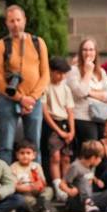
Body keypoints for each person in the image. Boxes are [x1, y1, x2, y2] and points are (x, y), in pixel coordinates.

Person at [0, 5, 51, 162]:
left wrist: (32, 98)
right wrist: (20, 98)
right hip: (8, 98)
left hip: (34, 101)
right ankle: (6, 181)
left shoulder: (39, 43)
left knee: (34, 143)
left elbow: (45, 75)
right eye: (12, 21)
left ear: (25, 20)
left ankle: (36, 180)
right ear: (6, 23)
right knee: (6, 144)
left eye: (18, 20)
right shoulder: (0, 45)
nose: (15, 24)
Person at [58, 139, 107, 212]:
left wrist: (97, 181)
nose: (100, 161)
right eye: (100, 158)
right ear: (93, 158)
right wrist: (70, 191)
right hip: (77, 201)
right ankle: (88, 203)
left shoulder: (91, 166)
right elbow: (61, 184)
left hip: (91, 197)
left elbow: (89, 175)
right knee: (83, 180)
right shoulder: (75, 166)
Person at [69, 39, 107, 147]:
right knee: (92, 148)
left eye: (91, 50)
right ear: (80, 52)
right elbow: (80, 92)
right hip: (83, 116)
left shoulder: (101, 71)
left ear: (95, 52)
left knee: (104, 148)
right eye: (85, 50)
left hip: (101, 116)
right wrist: (88, 72)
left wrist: (90, 93)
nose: (88, 53)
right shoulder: (73, 71)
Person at [42, 57, 76, 186]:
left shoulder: (65, 88)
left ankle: (65, 184)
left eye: (64, 74)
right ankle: (57, 185)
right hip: (53, 124)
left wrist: (71, 131)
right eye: (58, 73)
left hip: (65, 123)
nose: (61, 77)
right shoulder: (45, 86)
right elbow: (45, 112)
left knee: (66, 157)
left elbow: (70, 111)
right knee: (55, 156)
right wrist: (59, 132)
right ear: (51, 71)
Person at [8, 140, 51, 212]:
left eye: (28, 153)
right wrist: (28, 188)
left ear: (33, 155)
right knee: (25, 199)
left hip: (37, 192)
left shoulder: (36, 166)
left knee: (49, 190)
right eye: (22, 153)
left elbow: (43, 183)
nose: (25, 156)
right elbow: (13, 186)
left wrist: (39, 185)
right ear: (17, 155)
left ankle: (42, 203)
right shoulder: (13, 167)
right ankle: (41, 208)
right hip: (24, 193)